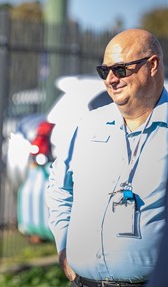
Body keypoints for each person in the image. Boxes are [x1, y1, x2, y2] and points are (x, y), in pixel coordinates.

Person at [46, 28, 168, 286]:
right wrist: (64, 246)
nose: (111, 79)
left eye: (121, 69)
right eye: (104, 71)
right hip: (82, 282)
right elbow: (59, 188)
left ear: (153, 65)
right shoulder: (89, 124)